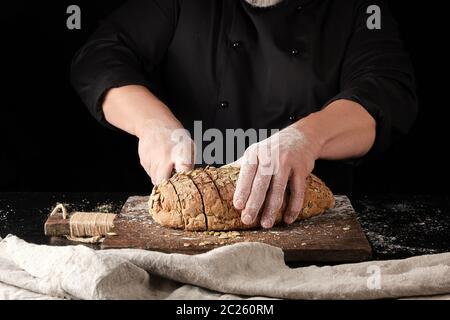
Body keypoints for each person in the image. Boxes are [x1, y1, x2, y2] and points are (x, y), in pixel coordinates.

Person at [71, 0, 417, 229]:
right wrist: (152, 124)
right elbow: (100, 58)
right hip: (188, 226)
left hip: (311, 229)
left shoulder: (357, 8)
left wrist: (307, 137)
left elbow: (386, 91)